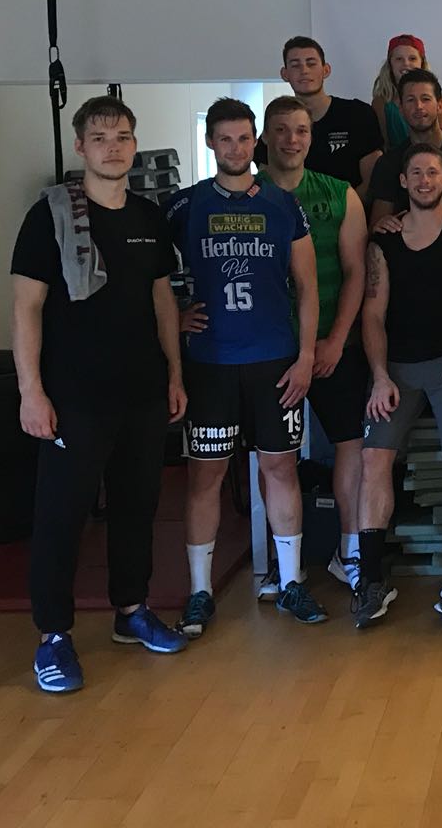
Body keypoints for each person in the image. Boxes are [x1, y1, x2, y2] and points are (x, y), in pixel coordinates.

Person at [12, 96, 189, 694]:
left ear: (134, 145)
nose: (113, 148)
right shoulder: (50, 216)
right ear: (80, 146)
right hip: (74, 397)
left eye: (122, 137)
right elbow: (26, 307)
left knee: (138, 507)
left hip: (141, 391)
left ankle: (131, 610)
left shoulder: (148, 217)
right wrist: (31, 392)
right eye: (100, 138)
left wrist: (174, 374)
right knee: (61, 516)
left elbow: (163, 299)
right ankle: (53, 636)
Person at [168, 98, 327, 636]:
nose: (235, 148)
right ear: (210, 142)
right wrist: (175, 315)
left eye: (243, 138)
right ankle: (199, 591)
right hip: (211, 363)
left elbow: (308, 287)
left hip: (275, 362)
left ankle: (291, 581)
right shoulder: (185, 204)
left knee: (280, 469)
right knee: (205, 476)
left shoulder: (283, 204)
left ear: (255, 141)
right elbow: (147, 276)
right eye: (225, 139)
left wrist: (306, 357)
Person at [353, 142, 442, 629]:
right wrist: (379, 376)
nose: (425, 180)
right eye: (416, 173)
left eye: (433, 172)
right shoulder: (384, 241)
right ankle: (371, 579)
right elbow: (373, 315)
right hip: (396, 368)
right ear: (404, 182)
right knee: (373, 460)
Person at [256, 95, 369, 593]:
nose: (292, 140)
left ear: (311, 136)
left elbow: (355, 272)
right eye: (281, 130)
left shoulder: (340, 193)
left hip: (332, 345)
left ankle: (350, 553)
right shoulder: (245, 195)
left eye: (301, 130)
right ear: (265, 136)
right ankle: (285, 566)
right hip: (269, 348)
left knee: (351, 444)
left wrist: (336, 340)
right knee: (273, 456)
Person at [253, 36, 383, 192]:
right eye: (295, 65)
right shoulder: (276, 121)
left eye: (311, 63)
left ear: (326, 70)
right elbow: (266, 185)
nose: (304, 71)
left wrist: (345, 205)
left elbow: (373, 182)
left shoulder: (358, 114)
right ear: (285, 74)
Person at [367, 68, 442, 223]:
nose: (419, 106)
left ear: (439, 105)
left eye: (425, 99)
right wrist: (383, 225)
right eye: (410, 100)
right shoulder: (389, 163)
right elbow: (377, 225)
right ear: (401, 108)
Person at [372, 34, 442, 148]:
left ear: (422, 62)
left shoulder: (437, 100)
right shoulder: (381, 102)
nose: (406, 63)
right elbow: (383, 145)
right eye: (399, 59)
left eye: (412, 59)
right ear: (390, 64)